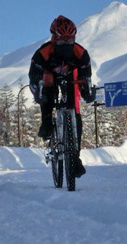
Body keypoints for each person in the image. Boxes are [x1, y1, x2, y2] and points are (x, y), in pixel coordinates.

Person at [29, 15, 95, 178]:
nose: (65, 45)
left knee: (76, 112)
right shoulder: (43, 53)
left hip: (71, 78)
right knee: (47, 89)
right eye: (61, 42)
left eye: (69, 41)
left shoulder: (80, 53)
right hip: (49, 75)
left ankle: (75, 158)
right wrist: (39, 94)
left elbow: (86, 77)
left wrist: (87, 93)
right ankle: (46, 124)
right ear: (53, 39)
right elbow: (34, 78)